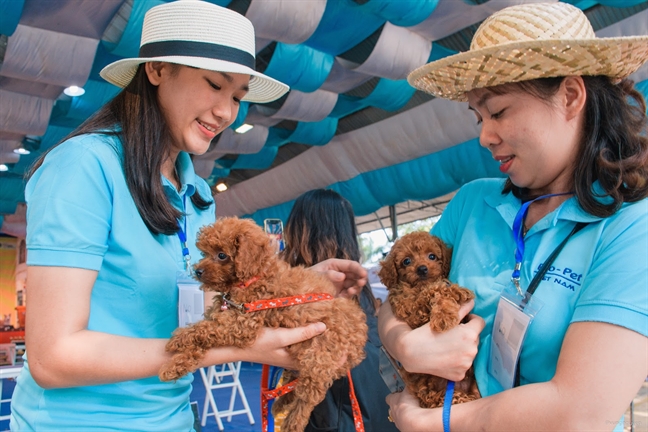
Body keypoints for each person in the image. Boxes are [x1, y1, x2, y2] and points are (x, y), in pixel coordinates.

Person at [10, 2, 367, 431]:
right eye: (214, 85)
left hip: (174, 418)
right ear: (157, 70)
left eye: (237, 96)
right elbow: (54, 357)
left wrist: (294, 288)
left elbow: (204, 306)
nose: (226, 111)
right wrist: (237, 348)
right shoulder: (84, 167)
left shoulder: (195, 192)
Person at [379, 2, 648, 432]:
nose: (485, 136)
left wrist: (432, 422)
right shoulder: (471, 203)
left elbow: (579, 410)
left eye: (499, 111)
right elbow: (396, 297)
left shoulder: (633, 227)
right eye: (479, 117)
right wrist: (404, 344)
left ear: (571, 96)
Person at [280, 189, 398, 432]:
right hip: (383, 409)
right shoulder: (362, 293)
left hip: (338, 416)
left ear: (302, 231)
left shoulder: (307, 296)